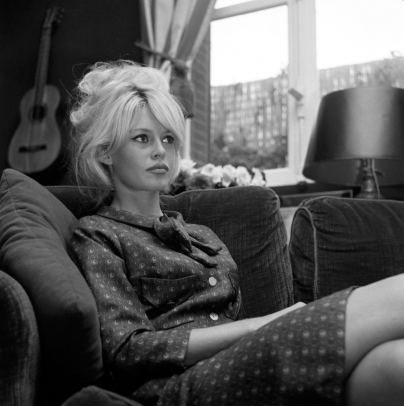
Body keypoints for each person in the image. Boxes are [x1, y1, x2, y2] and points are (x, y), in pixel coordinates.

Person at [70, 60, 404, 406]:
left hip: (240, 370)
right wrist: (260, 326)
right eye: (142, 138)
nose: (160, 150)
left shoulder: (202, 236)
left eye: (168, 138)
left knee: (396, 363)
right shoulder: (97, 234)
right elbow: (127, 350)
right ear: (105, 151)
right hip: (177, 387)